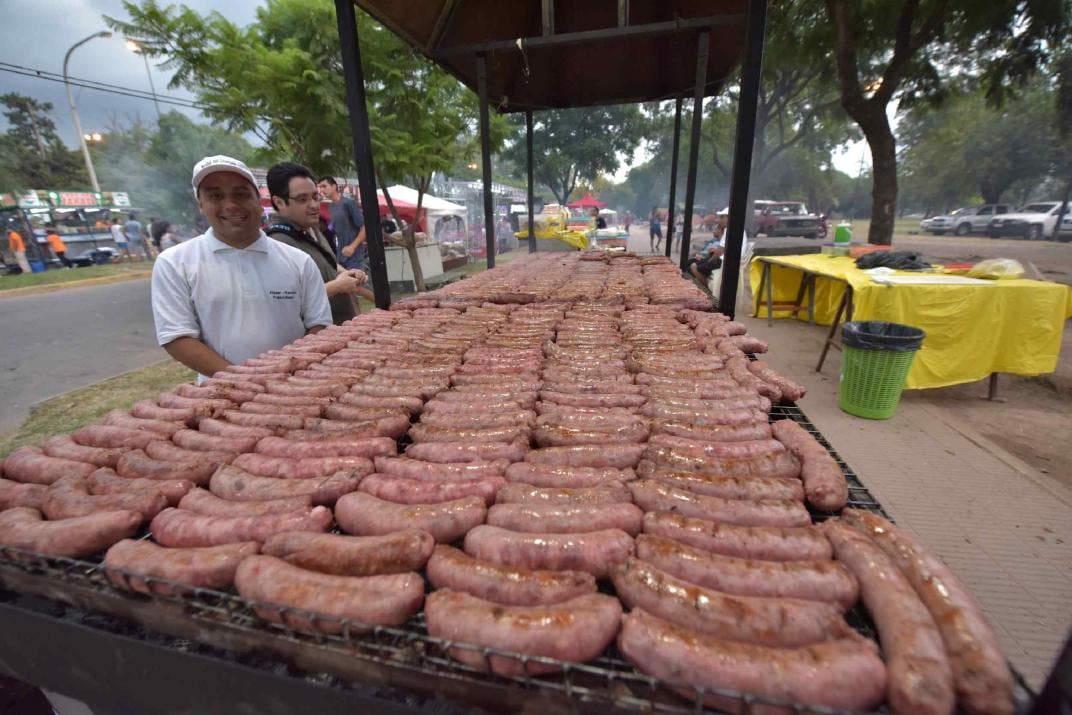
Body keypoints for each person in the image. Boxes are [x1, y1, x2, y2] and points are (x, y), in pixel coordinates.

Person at [151, 154, 332, 380]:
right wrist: (243, 380)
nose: (230, 205)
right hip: (221, 395)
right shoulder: (174, 263)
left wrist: (290, 372)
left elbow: (319, 324)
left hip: (297, 386)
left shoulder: (299, 261)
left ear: (258, 201)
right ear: (201, 204)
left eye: (241, 194)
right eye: (216, 196)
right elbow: (177, 337)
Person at [265, 162, 367, 325]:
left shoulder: (311, 227)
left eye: (315, 197)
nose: (313, 205)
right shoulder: (277, 242)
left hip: (341, 329)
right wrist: (337, 286)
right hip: (316, 340)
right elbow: (287, 301)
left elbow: (327, 262)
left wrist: (346, 272)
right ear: (279, 203)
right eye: (302, 199)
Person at [317, 176, 374, 304]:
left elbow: (365, 227)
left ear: (334, 186)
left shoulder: (348, 203)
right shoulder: (331, 207)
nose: (321, 190)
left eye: (324, 186)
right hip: (340, 255)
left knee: (358, 287)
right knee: (348, 290)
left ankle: (386, 306)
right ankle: (356, 318)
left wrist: (353, 246)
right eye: (319, 187)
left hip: (354, 254)